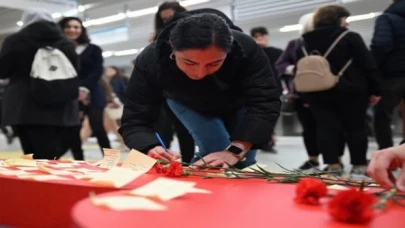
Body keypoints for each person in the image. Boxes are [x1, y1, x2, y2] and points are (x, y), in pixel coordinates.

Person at [119, 12, 281, 169]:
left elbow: (265, 101)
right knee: (215, 147)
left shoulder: (247, 48)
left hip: (237, 100)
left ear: (228, 51)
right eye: (189, 62)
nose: (200, 73)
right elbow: (135, 118)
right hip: (184, 100)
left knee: (241, 159)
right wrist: (149, 146)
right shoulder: (151, 60)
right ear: (172, 49)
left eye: (214, 63)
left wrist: (238, 148)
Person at [295, 5, 381, 175]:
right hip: (351, 90)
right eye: (345, 19)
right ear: (338, 19)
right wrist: (376, 89)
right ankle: (359, 164)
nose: (347, 23)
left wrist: (305, 96)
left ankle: (333, 165)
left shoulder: (303, 41)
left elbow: (303, 72)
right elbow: (367, 64)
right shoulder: (349, 37)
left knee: (326, 127)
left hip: (316, 93)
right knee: (355, 127)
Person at [0, 8, 79, 159]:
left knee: (31, 156)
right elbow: (75, 70)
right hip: (60, 104)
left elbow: (3, 71)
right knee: (51, 156)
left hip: (24, 105)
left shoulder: (14, 40)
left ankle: (36, 182)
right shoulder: (66, 43)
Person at [276, 12, 346, 172]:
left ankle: (335, 161)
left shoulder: (334, 42)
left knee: (333, 127)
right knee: (309, 128)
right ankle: (313, 160)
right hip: (302, 93)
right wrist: (298, 69)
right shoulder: (296, 43)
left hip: (331, 91)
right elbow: (281, 64)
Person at [59, 17, 111, 157]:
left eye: (76, 27)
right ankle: (79, 161)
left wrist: (83, 89)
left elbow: (97, 71)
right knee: (74, 130)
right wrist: (75, 90)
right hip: (70, 95)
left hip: (93, 92)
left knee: (98, 128)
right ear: (62, 29)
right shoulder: (59, 50)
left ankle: (110, 161)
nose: (72, 30)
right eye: (68, 26)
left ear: (82, 30)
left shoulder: (94, 49)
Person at [371, 0, 405, 150]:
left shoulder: (387, 18)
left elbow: (381, 45)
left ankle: (388, 157)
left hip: (392, 77)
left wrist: (373, 68)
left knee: (383, 117)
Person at [250, 26, 283, 153]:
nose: (260, 39)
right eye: (256, 36)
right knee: (257, 116)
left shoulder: (277, 52)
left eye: (262, 36)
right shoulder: (252, 52)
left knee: (271, 116)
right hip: (255, 90)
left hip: (274, 89)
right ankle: (260, 141)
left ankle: (268, 141)